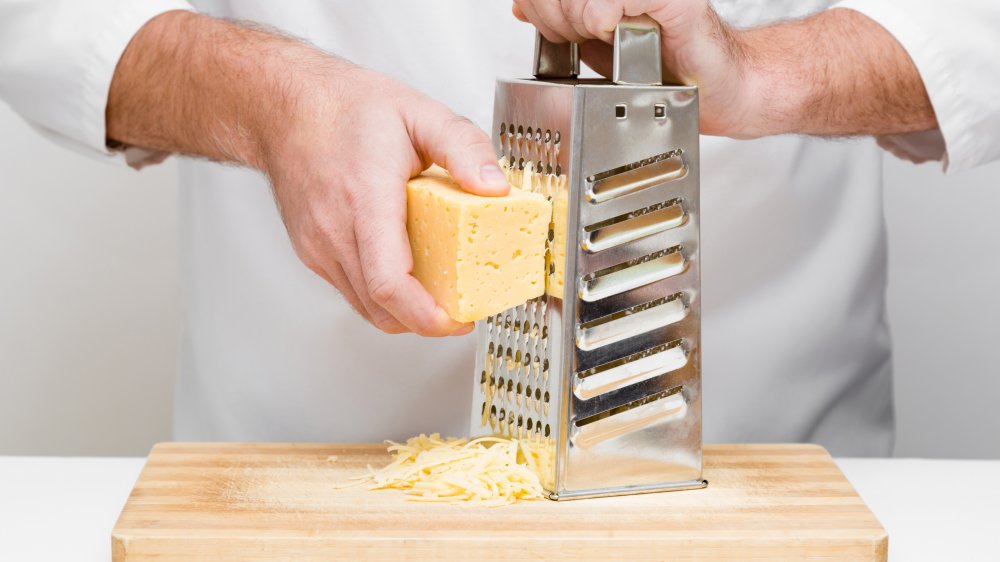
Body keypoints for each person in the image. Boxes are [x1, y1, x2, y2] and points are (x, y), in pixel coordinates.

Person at [0, 0, 996, 455]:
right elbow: (44, 18)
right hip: (308, 468)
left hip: (760, 472)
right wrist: (267, 93)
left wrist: (774, 69)